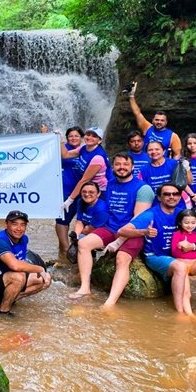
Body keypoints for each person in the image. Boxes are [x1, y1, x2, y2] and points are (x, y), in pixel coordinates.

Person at [139, 185, 196, 314]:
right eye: (167, 194)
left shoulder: (184, 214)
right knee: (183, 276)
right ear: (159, 197)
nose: (171, 197)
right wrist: (145, 231)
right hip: (165, 257)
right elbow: (123, 231)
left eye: (175, 194)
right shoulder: (151, 214)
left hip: (191, 260)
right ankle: (183, 313)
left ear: (180, 196)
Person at [84, 153, 154, 308]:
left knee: (122, 259)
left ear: (133, 167)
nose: (121, 167)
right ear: (113, 167)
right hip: (111, 228)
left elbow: (137, 221)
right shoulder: (110, 184)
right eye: (118, 164)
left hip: (134, 231)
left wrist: (118, 241)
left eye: (125, 164)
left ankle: (110, 302)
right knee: (84, 244)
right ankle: (84, 288)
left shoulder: (143, 188)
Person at [0, 210, 51, 316]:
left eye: (22, 225)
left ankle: (11, 298)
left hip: (4, 279)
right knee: (19, 276)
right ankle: (3, 312)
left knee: (42, 278)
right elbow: (14, 265)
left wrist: (42, 273)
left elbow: (21, 262)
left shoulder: (24, 239)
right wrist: (40, 269)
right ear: (6, 224)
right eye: (14, 224)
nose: (19, 229)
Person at [67, 182, 110, 299]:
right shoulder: (81, 202)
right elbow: (79, 221)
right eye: (84, 192)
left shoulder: (101, 209)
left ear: (98, 193)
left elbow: (90, 229)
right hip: (88, 228)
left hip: (102, 231)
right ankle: (88, 266)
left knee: (83, 242)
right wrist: (75, 235)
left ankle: (85, 284)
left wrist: (80, 235)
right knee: (77, 239)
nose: (87, 194)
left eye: (91, 192)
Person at [49, 126, 84, 258]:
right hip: (65, 190)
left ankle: (79, 249)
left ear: (81, 138)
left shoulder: (85, 150)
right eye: (71, 136)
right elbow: (46, 151)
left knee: (83, 220)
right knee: (62, 219)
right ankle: (64, 249)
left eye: (76, 136)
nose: (74, 138)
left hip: (84, 192)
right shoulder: (62, 149)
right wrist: (46, 135)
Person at [61, 127, 110, 219]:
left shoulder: (97, 158)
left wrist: (70, 200)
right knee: (84, 219)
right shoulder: (84, 148)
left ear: (99, 141)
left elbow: (84, 180)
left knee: (94, 220)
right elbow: (65, 155)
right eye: (88, 134)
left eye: (94, 136)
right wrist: (60, 140)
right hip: (89, 189)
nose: (90, 137)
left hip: (99, 193)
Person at [127, 82, 181, 158]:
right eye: (157, 120)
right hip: (145, 162)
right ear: (153, 120)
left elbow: (177, 154)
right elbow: (137, 113)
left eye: (162, 120)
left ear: (166, 122)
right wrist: (131, 96)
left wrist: (171, 166)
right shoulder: (147, 127)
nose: (159, 122)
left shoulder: (173, 136)